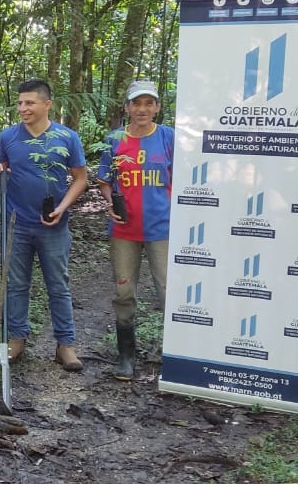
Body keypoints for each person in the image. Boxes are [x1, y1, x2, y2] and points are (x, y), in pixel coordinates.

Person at [0, 79, 88, 370]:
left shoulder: (67, 137)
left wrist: (62, 207)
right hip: (17, 223)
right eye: (20, 103)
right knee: (17, 284)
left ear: (47, 104)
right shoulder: (8, 137)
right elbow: (3, 166)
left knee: (58, 285)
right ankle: (17, 339)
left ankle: (66, 344)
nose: (22, 108)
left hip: (54, 226)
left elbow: (80, 178)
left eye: (29, 103)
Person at [96, 80, 174, 380]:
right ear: (127, 107)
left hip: (162, 229)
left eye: (148, 103)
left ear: (156, 107)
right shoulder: (114, 139)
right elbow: (104, 180)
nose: (142, 109)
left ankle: (173, 356)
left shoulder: (169, 137)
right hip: (124, 230)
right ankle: (126, 357)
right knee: (124, 290)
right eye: (136, 103)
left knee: (167, 291)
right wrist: (110, 202)